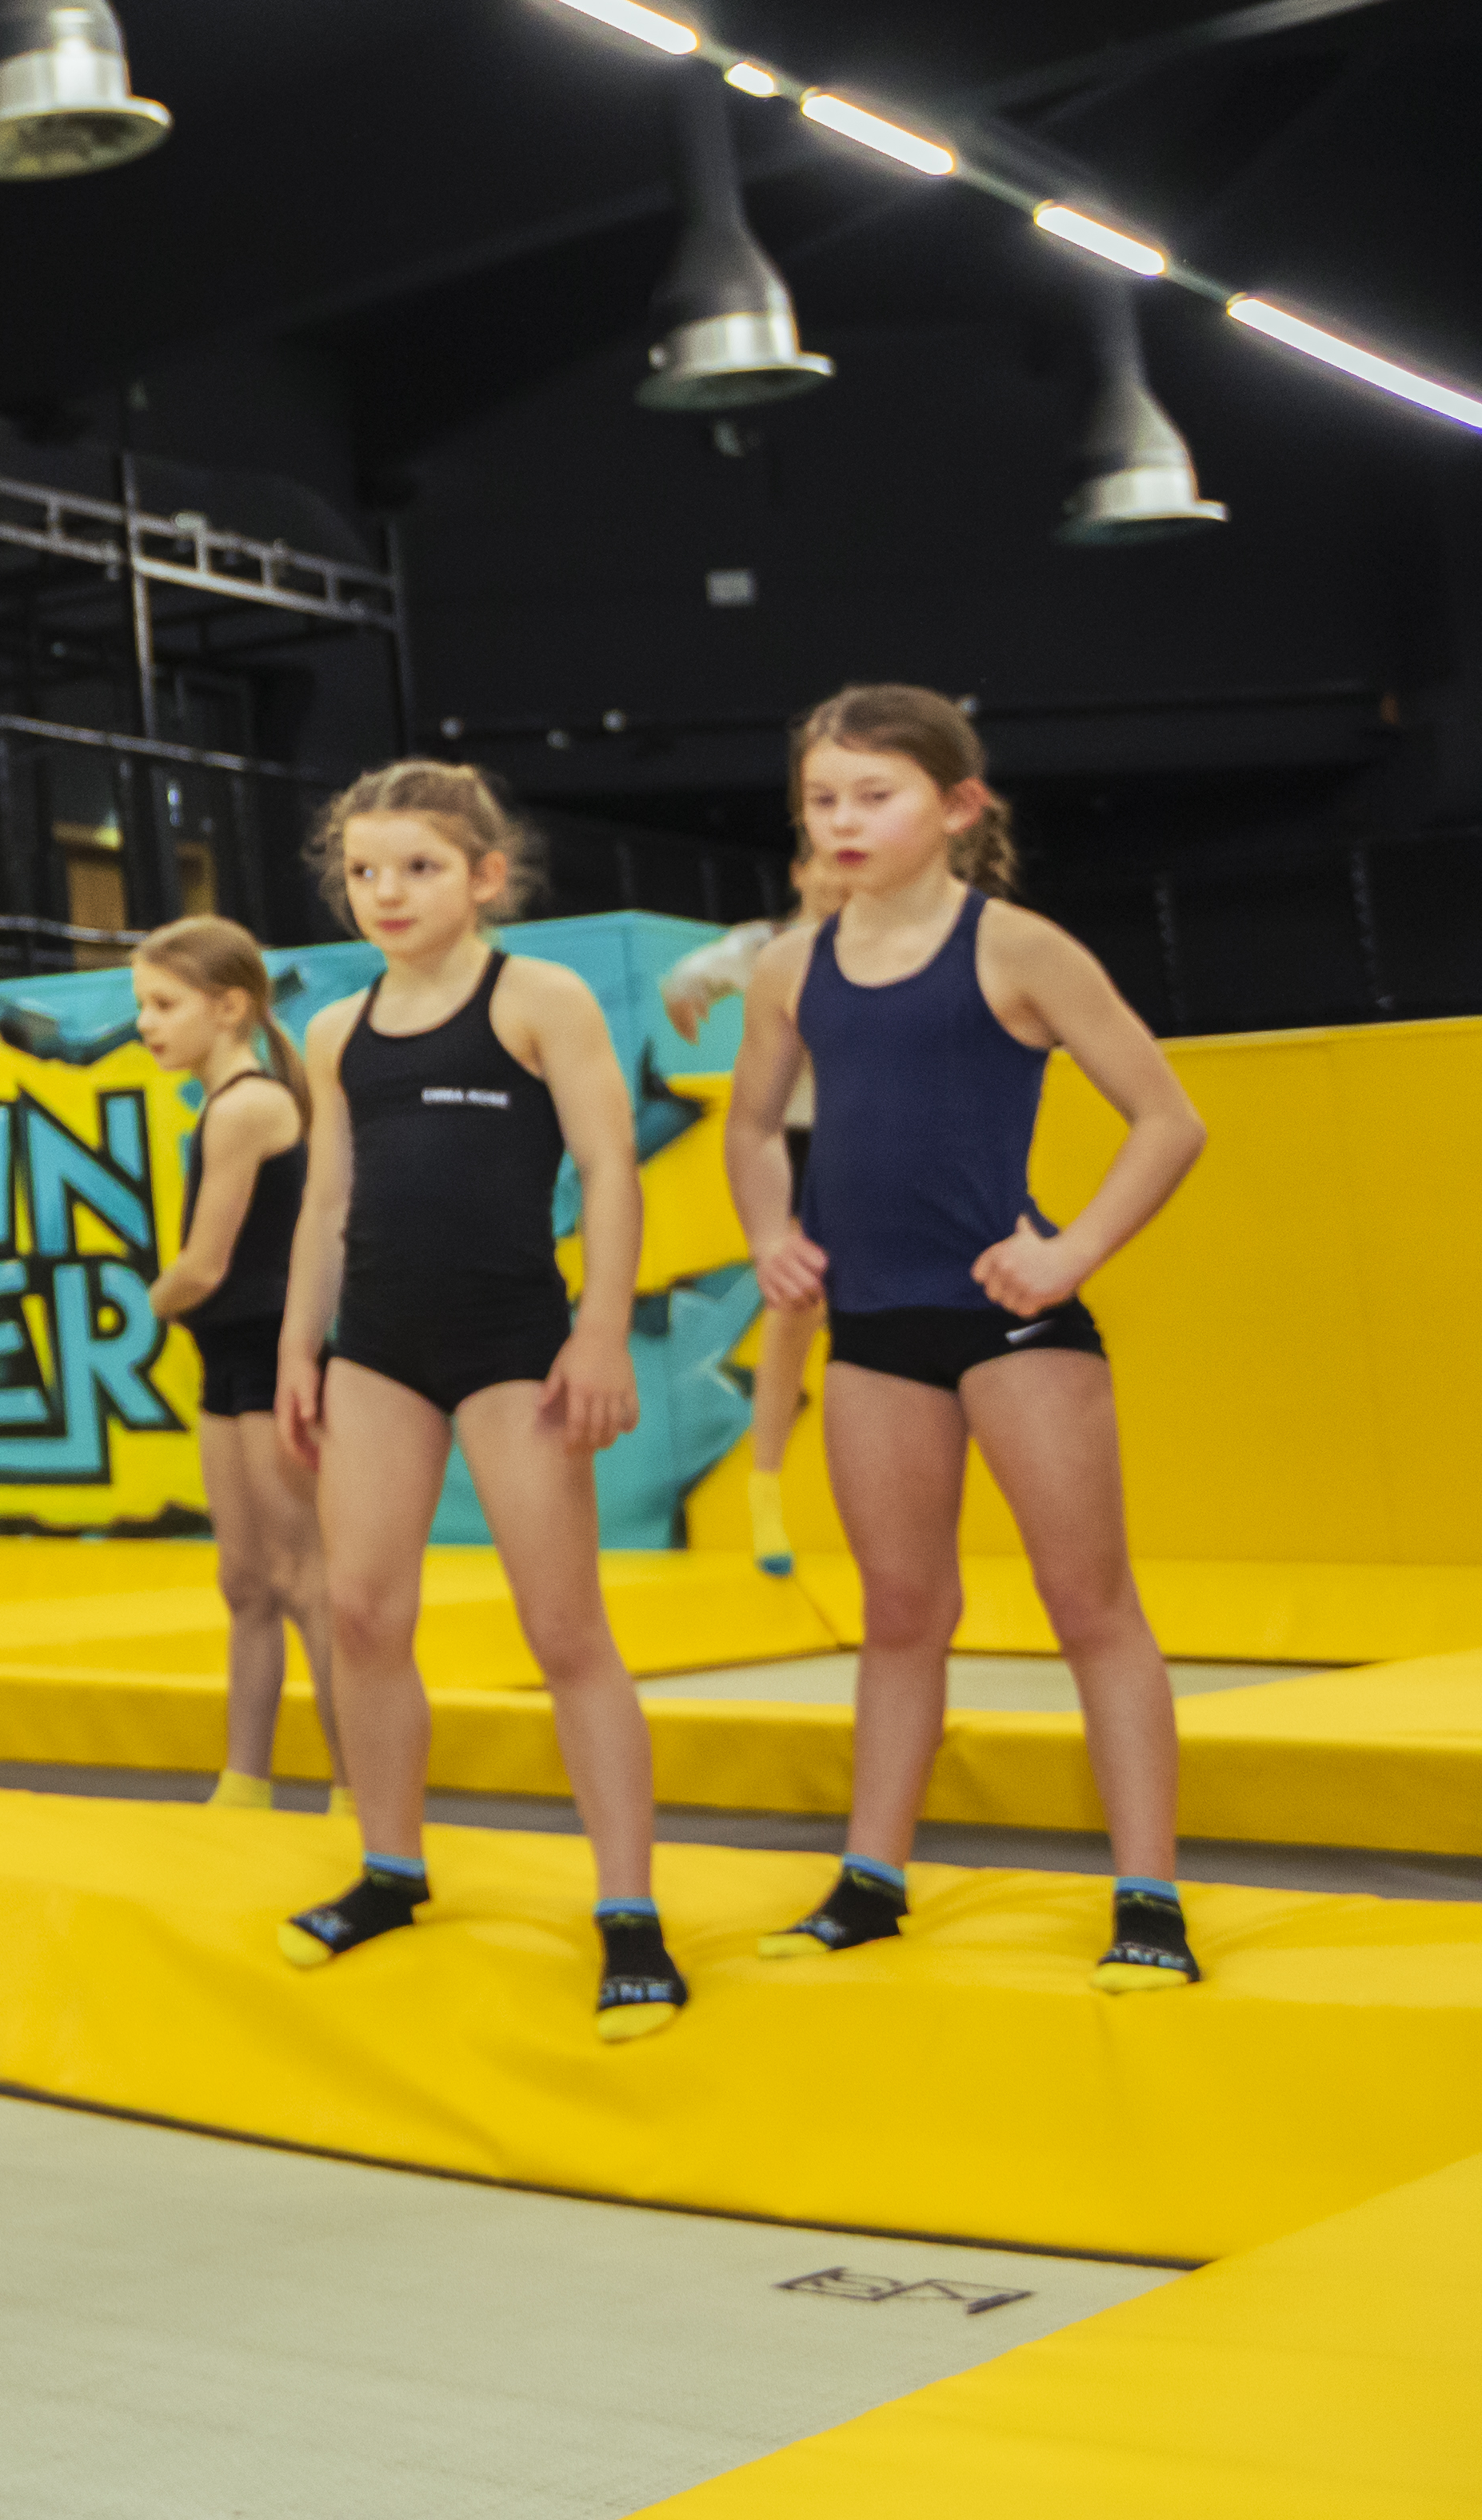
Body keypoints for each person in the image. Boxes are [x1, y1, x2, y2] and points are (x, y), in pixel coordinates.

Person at [725, 684, 1210, 1995]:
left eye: (872, 796)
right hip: (876, 1334)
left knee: (1089, 1608)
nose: (841, 820)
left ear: (956, 807)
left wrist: (1072, 1251)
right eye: (821, 799)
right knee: (899, 1613)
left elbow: (1169, 1120)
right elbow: (754, 1124)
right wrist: (771, 1231)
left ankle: (1150, 1896)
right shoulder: (792, 967)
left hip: (1016, 1323)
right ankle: (871, 1879)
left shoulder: (1018, 950)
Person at [269, 761, 678, 2042]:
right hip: (378, 1347)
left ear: (485, 877)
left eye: (420, 870)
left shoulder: (539, 1001)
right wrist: (299, 1347)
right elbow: (327, 1202)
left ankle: (630, 1912)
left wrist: (602, 1329)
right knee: (360, 1609)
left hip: (513, 1344)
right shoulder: (337, 1032)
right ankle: (391, 1866)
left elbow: (612, 1167)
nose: (386, 893)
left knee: (565, 1628)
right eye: (366, 872)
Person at [132, 916, 325, 1811]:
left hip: (273, 1354)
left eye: (164, 1004)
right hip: (229, 1358)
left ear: (230, 1006)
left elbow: (204, 1265)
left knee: (302, 1578)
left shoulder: (249, 1104)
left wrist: (149, 1301)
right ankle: (243, 1781)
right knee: (245, 1580)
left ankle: (364, 1790)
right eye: (144, 1005)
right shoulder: (226, 1103)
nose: (147, 1023)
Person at [662, 852, 847, 1578]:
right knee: (794, 1310)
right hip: (799, 1143)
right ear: (798, 872)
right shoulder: (766, 946)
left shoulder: (882, 947)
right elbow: (688, 975)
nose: (839, 880)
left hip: (873, 1141)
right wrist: (688, 996)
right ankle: (764, 1485)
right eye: (826, 866)